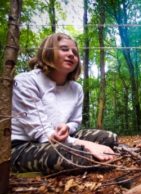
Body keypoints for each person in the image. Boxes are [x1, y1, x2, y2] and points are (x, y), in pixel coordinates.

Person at [11, 33, 118, 174]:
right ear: (48, 52)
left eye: (75, 52)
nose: (71, 54)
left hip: (62, 140)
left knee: (109, 138)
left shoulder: (76, 89)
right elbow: (42, 133)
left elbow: (75, 122)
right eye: (64, 49)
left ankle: (78, 158)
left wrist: (67, 127)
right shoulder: (25, 81)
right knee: (77, 155)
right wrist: (88, 145)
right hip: (23, 146)